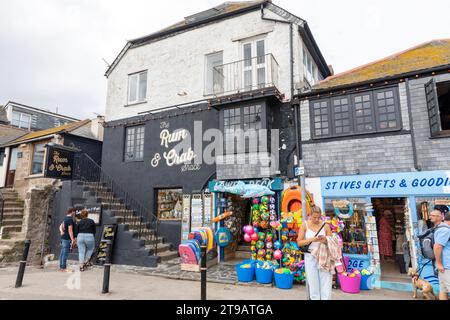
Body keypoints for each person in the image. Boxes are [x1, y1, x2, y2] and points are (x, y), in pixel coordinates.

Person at [297, 206, 333, 300]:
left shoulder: (325, 226)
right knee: (313, 283)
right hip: (310, 256)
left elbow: (332, 242)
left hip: (324, 256)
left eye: (318, 217)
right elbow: (299, 242)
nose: (317, 219)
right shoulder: (305, 225)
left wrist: (325, 239)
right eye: (314, 217)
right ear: (310, 216)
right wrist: (313, 239)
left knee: (325, 282)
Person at [434, 211, 450, 300]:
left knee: (443, 290)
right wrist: (439, 264)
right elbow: (437, 246)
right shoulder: (446, 230)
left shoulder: (442, 228)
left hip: (444, 266)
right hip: (447, 266)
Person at [59, 207, 76, 272]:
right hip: (67, 238)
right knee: (65, 253)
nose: (74, 213)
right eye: (74, 211)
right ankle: (63, 268)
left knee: (62, 253)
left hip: (63, 237)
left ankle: (61, 267)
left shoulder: (65, 218)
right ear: (72, 211)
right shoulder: (69, 219)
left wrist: (61, 232)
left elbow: (60, 226)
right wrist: (72, 239)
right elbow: (70, 230)